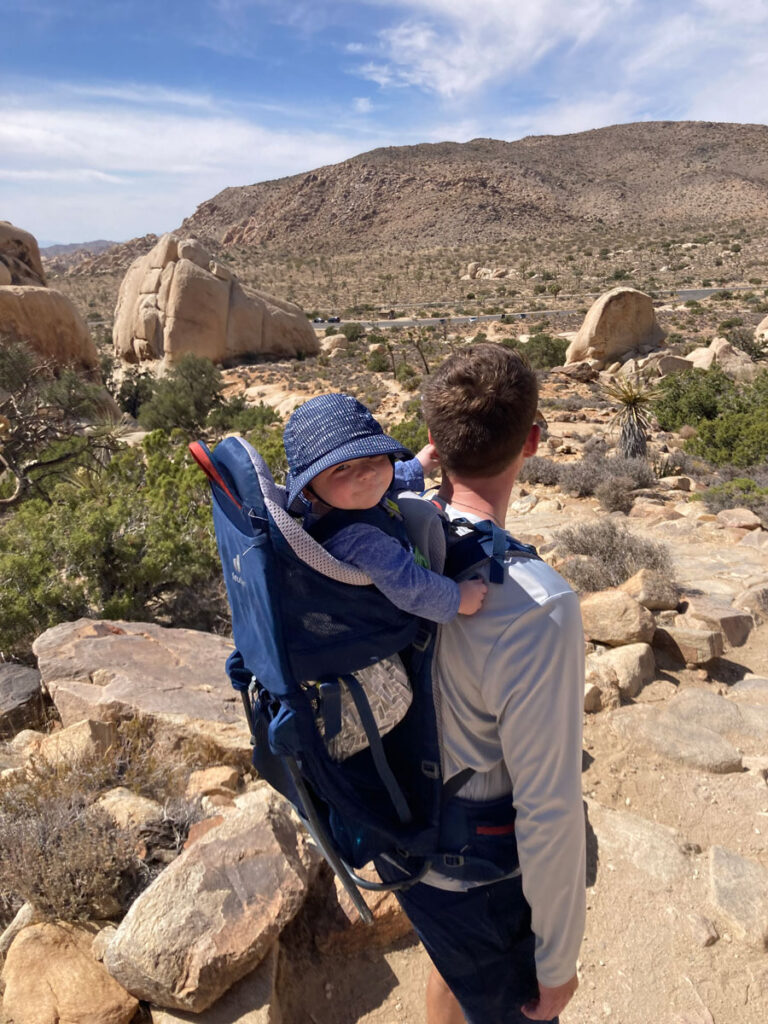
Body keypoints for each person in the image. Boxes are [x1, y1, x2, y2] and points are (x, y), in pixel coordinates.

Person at [376, 344, 586, 1024]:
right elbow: (548, 809)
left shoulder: (383, 533)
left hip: (396, 828)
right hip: (475, 868)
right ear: (531, 439)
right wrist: (556, 967)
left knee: (447, 958)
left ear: (431, 442)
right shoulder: (536, 606)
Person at [282, 392, 488, 622]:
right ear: (308, 490)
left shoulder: (340, 499)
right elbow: (412, 587)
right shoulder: (362, 540)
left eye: (373, 456)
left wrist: (420, 464)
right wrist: (459, 598)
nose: (367, 473)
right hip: (380, 628)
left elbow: (386, 482)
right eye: (342, 467)